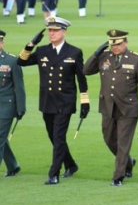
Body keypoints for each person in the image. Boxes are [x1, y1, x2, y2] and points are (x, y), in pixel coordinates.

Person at [18, 17, 89, 185]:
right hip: (47, 102)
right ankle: (71, 165)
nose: (52, 33)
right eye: (50, 30)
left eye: (55, 30)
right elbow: (21, 62)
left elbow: (81, 78)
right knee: (54, 137)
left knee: (58, 136)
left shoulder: (74, 52)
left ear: (64, 32)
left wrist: (84, 101)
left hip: (65, 102)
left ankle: (53, 174)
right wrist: (30, 45)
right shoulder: (42, 51)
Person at [83, 30, 138, 186]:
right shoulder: (103, 57)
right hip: (108, 107)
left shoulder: (136, 59)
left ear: (125, 43)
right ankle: (128, 162)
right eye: (112, 44)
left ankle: (118, 177)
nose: (115, 47)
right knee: (109, 140)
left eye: (119, 44)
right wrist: (96, 53)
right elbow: (86, 70)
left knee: (123, 143)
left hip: (128, 109)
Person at [0, 30, 26, 178]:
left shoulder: (11, 61)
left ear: (2, 42)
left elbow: (19, 87)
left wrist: (21, 108)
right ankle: (13, 166)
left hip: (5, 106)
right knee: (2, 138)